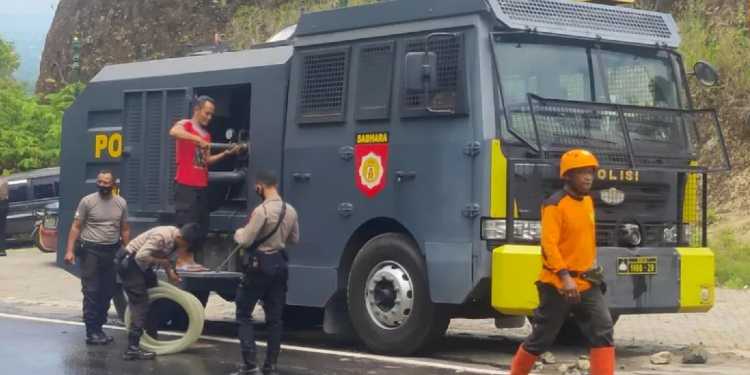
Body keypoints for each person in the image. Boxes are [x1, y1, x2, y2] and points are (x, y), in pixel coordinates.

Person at [510, 149, 615, 375]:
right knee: (542, 338)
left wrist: (594, 268)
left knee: (603, 328)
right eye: (581, 173)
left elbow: (585, 241)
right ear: (567, 176)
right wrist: (565, 278)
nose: (588, 177)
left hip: (587, 282)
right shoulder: (554, 205)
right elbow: (549, 247)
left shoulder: (587, 202)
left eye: (590, 172)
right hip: (557, 284)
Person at [232, 171, 299, 375]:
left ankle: (250, 365)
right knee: (275, 318)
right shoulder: (291, 210)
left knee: (244, 312)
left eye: (256, 187)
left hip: (259, 265)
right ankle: (271, 365)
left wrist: (238, 233)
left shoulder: (261, 211)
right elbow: (294, 239)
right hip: (279, 264)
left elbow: (245, 240)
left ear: (260, 186)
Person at [169, 95, 240, 269]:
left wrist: (225, 154)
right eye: (207, 113)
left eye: (211, 115)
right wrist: (196, 139)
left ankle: (190, 259)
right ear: (197, 110)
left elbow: (204, 161)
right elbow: (173, 132)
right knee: (187, 224)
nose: (209, 117)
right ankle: (181, 260)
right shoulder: (186, 125)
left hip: (201, 185)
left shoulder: (206, 135)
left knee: (201, 225)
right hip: (185, 184)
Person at [115, 223, 201, 360]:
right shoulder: (162, 236)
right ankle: (132, 349)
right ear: (180, 237)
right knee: (140, 302)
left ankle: (151, 340)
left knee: (154, 298)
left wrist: (171, 274)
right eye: (185, 245)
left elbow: (166, 260)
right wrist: (161, 262)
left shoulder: (176, 241)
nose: (184, 248)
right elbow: (141, 256)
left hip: (143, 266)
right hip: (130, 263)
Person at [63, 170, 130, 345]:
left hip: (111, 252)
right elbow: (76, 227)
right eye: (99, 182)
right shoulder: (87, 201)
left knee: (107, 292)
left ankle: (99, 328)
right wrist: (69, 250)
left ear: (113, 184)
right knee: (92, 291)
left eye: (106, 182)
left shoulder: (121, 203)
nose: (102, 185)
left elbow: (124, 228)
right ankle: (91, 331)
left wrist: (127, 249)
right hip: (90, 251)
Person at [0, 175, 8, 257]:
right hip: (4, 204)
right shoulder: (5, 180)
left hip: (2, 204)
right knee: (2, 230)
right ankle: (2, 250)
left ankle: (2, 250)